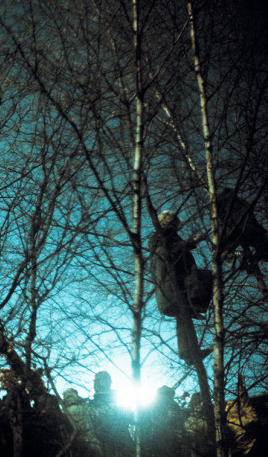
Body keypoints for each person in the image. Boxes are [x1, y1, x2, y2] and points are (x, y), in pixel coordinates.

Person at [149, 210, 212, 365]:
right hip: (173, 288)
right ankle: (196, 303)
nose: (177, 227)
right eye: (174, 223)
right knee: (209, 277)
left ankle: (188, 353)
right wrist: (193, 242)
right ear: (168, 223)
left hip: (171, 289)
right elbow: (171, 252)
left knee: (183, 317)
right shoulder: (162, 238)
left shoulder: (161, 239)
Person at [216, 189, 268, 267]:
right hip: (247, 229)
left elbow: (223, 218)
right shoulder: (241, 203)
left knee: (222, 251)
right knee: (223, 251)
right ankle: (239, 256)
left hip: (238, 230)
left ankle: (238, 256)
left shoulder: (222, 203)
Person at [88, 371, 134, 456]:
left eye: (99, 380)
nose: (96, 384)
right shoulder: (91, 404)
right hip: (103, 446)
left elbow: (130, 417)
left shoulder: (118, 398)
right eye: (96, 381)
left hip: (121, 443)